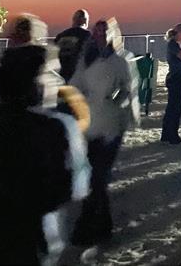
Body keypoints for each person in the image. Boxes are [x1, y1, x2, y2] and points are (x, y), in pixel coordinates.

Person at [0, 44, 90, 266]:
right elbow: (69, 188)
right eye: (50, 74)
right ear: (34, 82)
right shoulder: (54, 128)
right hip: (28, 241)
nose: (57, 82)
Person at [71, 18, 139, 244]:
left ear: (112, 34)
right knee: (93, 177)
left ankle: (87, 226)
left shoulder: (121, 61)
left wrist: (116, 99)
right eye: (97, 30)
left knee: (98, 176)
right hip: (90, 124)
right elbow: (76, 84)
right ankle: (102, 225)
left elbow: (129, 89)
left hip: (111, 125)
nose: (100, 34)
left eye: (105, 30)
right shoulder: (87, 59)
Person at [160, 23, 181, 145]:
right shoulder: (173, 45)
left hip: (176, 77)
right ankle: (172, 135)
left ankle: (166, 134)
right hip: (176, 77)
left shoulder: (175, 44)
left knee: (172, 107)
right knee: (176, 107)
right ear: (180, 33)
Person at [54, 8, 92, 82]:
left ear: (73, 20)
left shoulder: (60, 36)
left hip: (61, 76)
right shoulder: (87, 35)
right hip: (77, 77)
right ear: (85, 21)